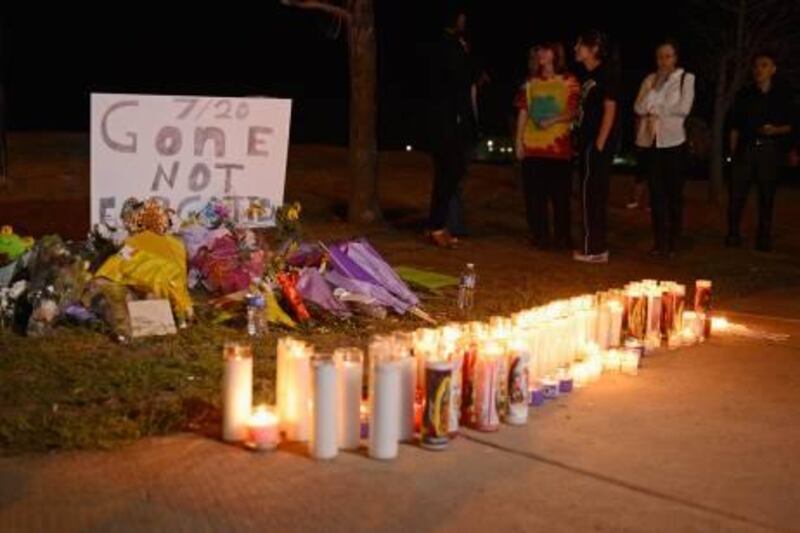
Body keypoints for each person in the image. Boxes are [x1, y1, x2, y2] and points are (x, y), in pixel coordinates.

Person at [727, 52, 794, 252]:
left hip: (769, 150)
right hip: (746, 149)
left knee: (766, 196)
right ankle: (733, 234)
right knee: (737, 195)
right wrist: (732, 151)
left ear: (773, 69)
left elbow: (792, 125)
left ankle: (763, 238)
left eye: (764, 65)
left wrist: (775, 130)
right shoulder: (745, 94)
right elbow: (734, 125)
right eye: (756, 66)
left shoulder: (782, 95)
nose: (759, 69)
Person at [514, 43, 579, 250]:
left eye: (546, 50)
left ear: (556, 54)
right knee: (534, 198)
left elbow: (574, 111)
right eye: (538, 51)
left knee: (561, 198)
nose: (541, 54)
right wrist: (518, 141)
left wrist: (553, 120)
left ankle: (562, 237)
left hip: (558, 150)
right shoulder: (530, 83)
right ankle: (539, 236)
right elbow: (523, 112)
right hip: (533, 148)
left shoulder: (569, 81)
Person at [634, 39, 695, 257]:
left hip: (674, 143)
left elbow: (683, 108)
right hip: (652, 143)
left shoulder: (685, 79)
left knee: (674, 195)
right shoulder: (650, 80)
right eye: (660, 56)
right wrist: (655, 90)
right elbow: (639, 107)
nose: (663, 61)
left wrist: (656, 108)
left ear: (676, 58)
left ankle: (674, 241)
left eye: (668, 56)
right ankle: (659, 243)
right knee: (656, 194)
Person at [427, 9, 476, 248]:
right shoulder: (447, 46)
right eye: (462, 16)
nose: (464, 20)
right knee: (449, 171)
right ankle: (436, 225)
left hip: (451, 118)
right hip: (447, 120)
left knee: (450, 173)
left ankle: (437, 224)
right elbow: (458, 80)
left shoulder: (455, 44)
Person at [573, 31, 619, 263]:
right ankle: (592, 245)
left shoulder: (606, 73)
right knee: (587, 193)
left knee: (593, 194)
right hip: (586, 142)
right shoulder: (586, 75)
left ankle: (595, 248)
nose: (575, 48)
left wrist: (599, 143)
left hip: (596, 144)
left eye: (580, 45)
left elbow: (610, 108)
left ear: (593, 49)